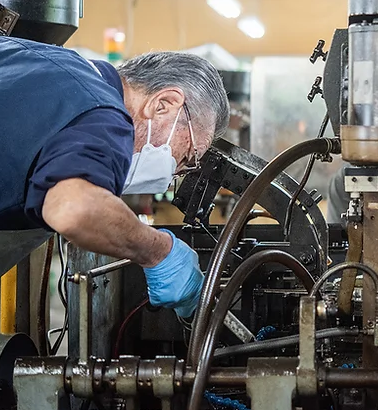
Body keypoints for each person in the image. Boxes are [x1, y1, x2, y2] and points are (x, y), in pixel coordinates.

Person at [0, 35, 230, 318]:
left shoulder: (40, 59)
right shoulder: (106, 116)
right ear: (163, 104)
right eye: (188, 156)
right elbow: (74, 209)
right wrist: (158, 251)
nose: (176, 173)